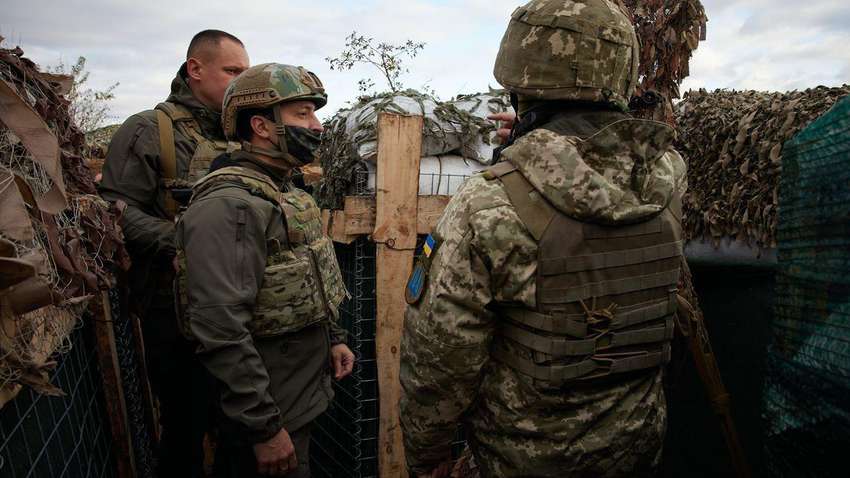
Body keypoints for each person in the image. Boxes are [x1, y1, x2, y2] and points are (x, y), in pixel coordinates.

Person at [399, 1, 689, 477]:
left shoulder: (487, 202)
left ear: (520, 79)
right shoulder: (669, 178)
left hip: (524, 458)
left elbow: (440, 358)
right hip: (636, 447)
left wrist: (425, 453)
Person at [175, 63, 355, 478]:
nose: (317, 126)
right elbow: (220, 326)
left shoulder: (284, 191)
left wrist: (333, 338)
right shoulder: (230, 205)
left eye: (314, 113)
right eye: (303, 114)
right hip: (267, 413)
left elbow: (302, 275)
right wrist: (264, 429)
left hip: (296, 394)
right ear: (260, 125)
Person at [98, 29, 250, 478]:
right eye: (232, 71)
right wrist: (182, 243)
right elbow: (114, 210)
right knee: (184, 430)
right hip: (172, 312)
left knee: (239, 430)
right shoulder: (148, 129)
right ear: (195, 69)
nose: (240, 82)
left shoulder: (242, 136)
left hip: (235, 311)